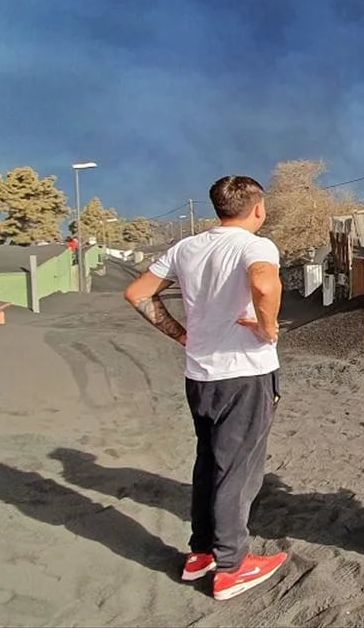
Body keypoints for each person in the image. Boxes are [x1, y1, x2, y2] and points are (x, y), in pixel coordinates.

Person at [123, 175, 287, 601]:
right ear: (257, 208)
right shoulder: (256, 245)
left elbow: (138, 293)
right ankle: (232, 565)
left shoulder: (186, 248)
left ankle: (201, 553)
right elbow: (265, 283)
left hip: (201, 376)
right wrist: (269, 328)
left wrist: (180, 334)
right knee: (239, 468)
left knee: (209, 461)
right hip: (245, 373)